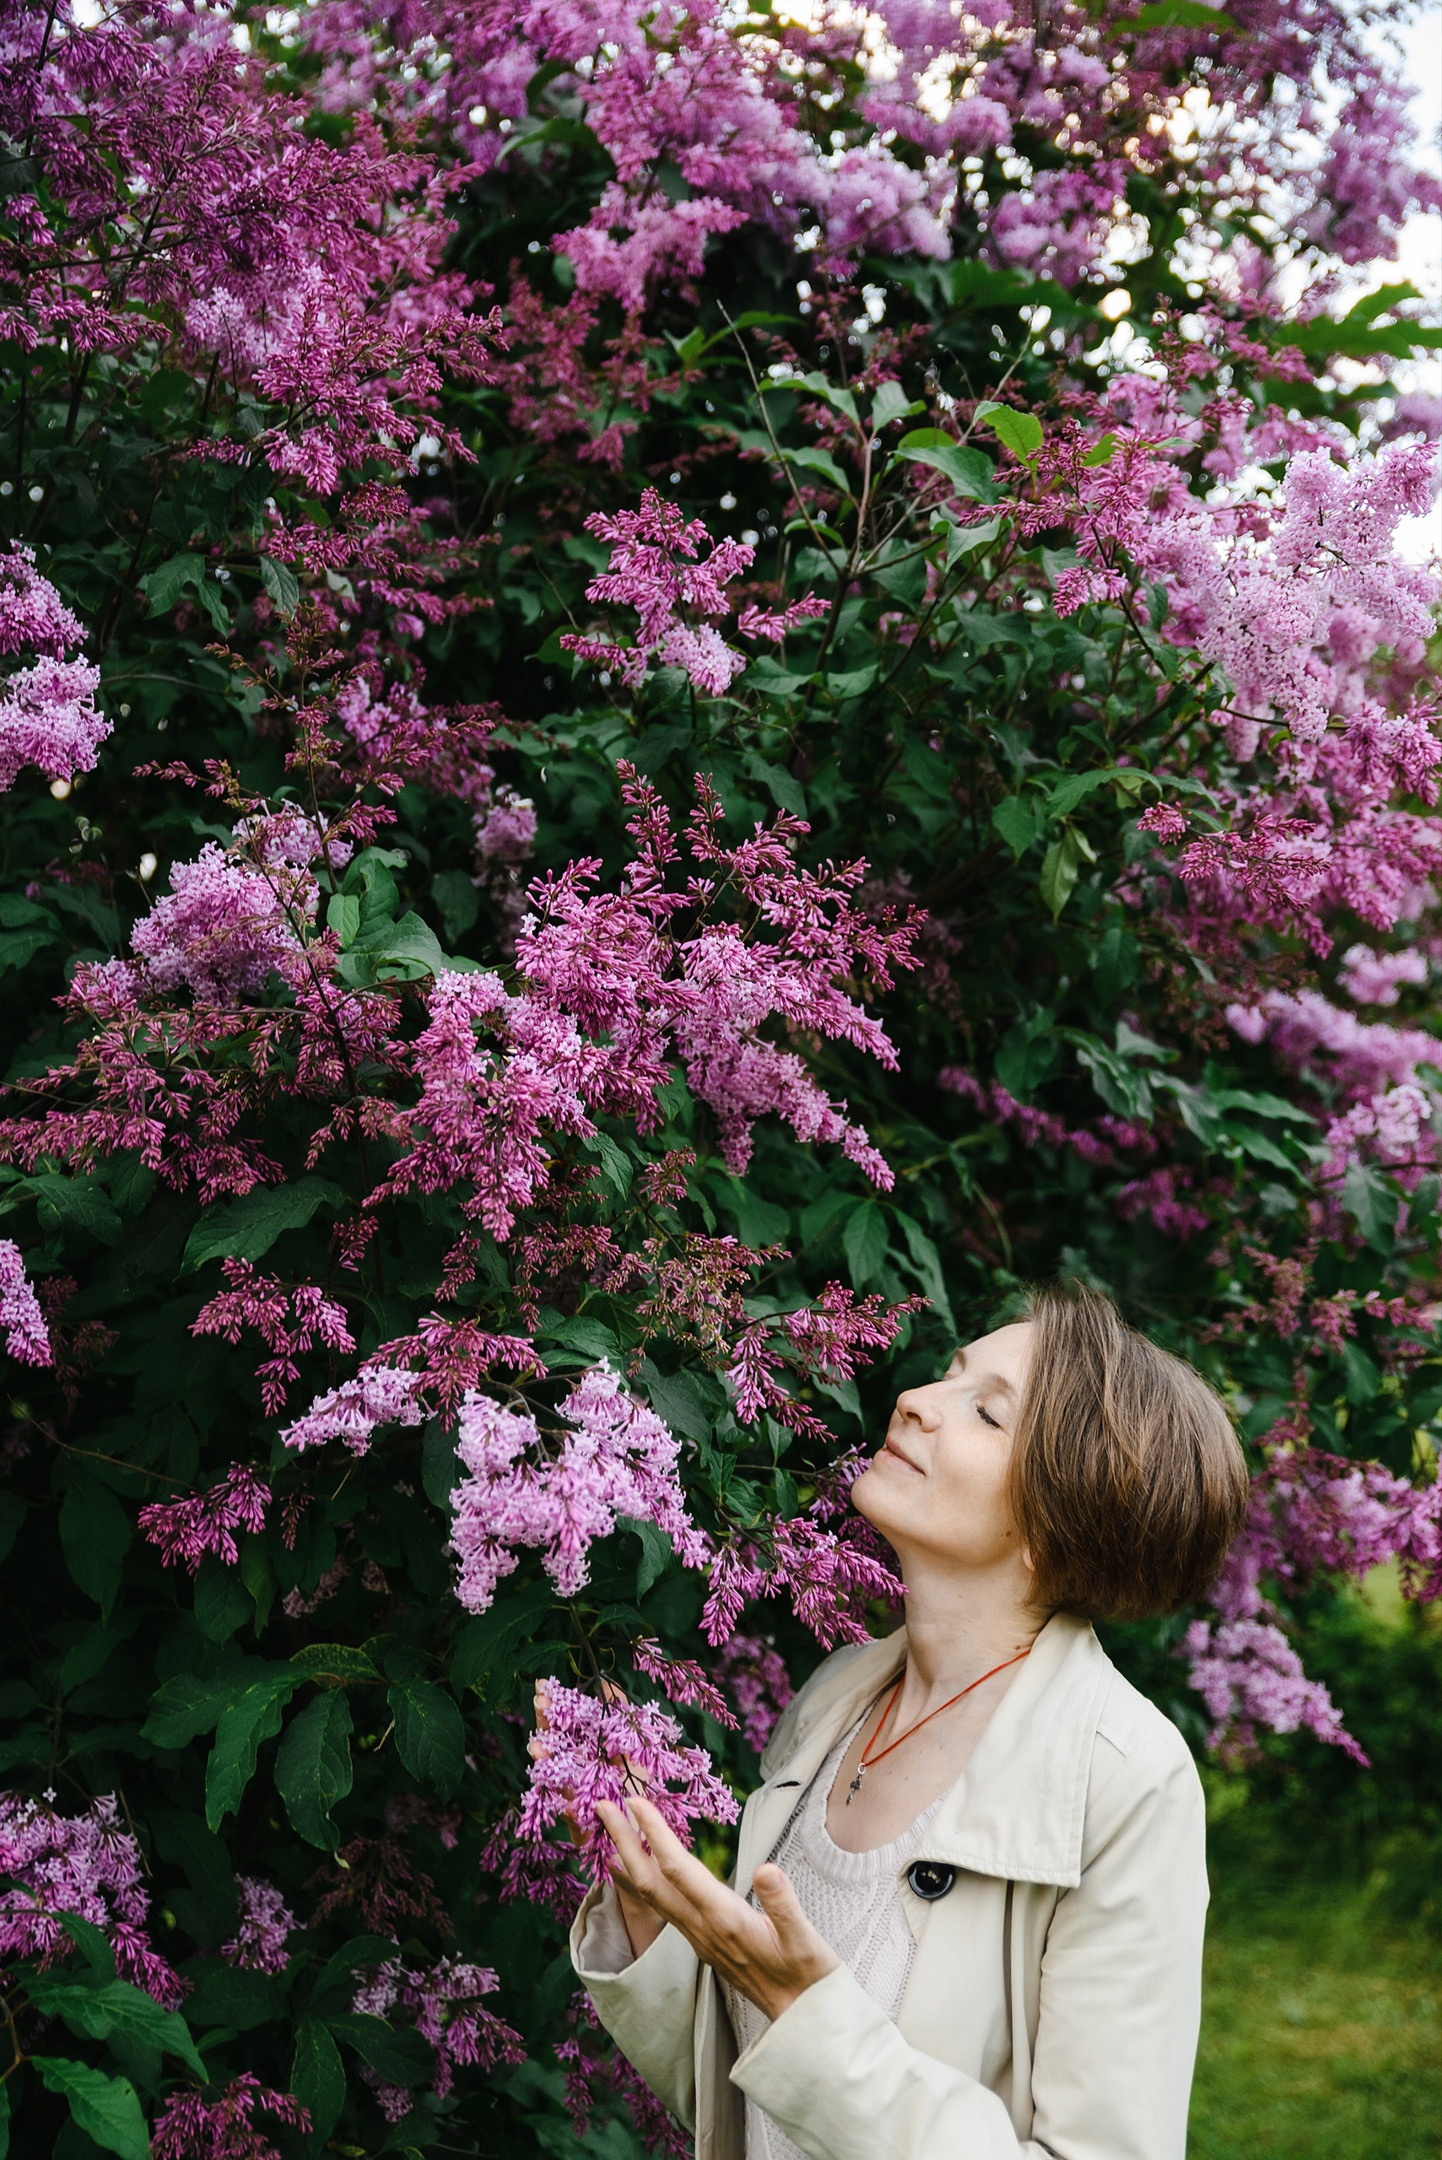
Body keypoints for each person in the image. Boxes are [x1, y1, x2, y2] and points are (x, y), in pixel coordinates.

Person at [545, 1280, 1249, 2160]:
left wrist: (811, 2023)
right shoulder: (838, 1698)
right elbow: (750, 2107)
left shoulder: (1126, 1781)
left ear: (1059, 1524)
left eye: (987, 1413)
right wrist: (649, 1901)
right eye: (949, 1374)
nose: (916, 1400)